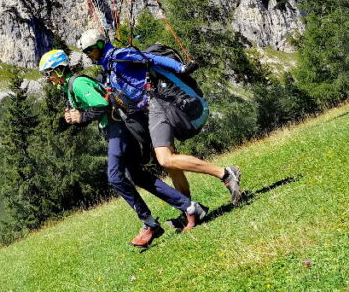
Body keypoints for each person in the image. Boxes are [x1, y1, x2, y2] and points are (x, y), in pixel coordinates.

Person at [39, 49, 208, 247]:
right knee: (138, 176)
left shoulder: (77, 83)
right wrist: (76, 117)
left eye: (49, 73)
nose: (48, 78)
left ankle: (150, 223)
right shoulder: (70, 87)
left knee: (115, 177)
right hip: (116, 129)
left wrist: (81, 117)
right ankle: (190, 207)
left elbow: (101, 104)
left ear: (59, 70)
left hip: (117, 129)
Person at [76, 27, 243, 211]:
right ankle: (189, 210)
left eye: (89, 50)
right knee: (170, 165)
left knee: (165, 159)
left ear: (99, 45)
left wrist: (180, 67)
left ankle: (226, 174)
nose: (88, 55)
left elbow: (151, 59)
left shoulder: (120, 55)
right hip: (150, 110)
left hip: (157, 103)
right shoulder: (109, 68)